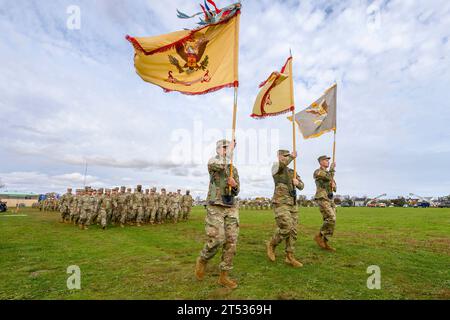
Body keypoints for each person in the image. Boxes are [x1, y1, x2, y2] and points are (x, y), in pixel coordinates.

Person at [195, 139, 240, 289]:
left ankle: (224, 276)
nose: (227, 150)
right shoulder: (213, 162)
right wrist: (230, 152)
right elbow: (220, 165)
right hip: (216, 204)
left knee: (231, 242)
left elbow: (237, 189)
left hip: (231, 205)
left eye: (229, 147)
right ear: (218, 149)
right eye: (225, 147)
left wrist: (234, 186)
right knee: (217, 239)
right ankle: (203, 258)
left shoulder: (234, 168)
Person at [266, 150, 305, 267]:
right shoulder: (276, 167)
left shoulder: (292, 171)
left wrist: (297, 183)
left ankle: (289, 256)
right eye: (284, 156)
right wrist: (292, 157)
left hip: (292, 203)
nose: (286, 158)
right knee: (286, 227)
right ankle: (272, 244)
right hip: (280, 202)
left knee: (293, 231)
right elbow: (282, 165)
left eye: (287, 156)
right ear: (278, 156)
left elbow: (302, 186)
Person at [313, 155, 337, 252]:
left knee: (331, 221)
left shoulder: (329, 173)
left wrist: (334, 185)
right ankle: (319, 236)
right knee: (332, 218)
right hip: (322, 197)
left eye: (328, 161)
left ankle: (325, 241)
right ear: (321, 162)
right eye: (326, 160)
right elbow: (327, 177)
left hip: (330, 198)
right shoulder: (318, 172)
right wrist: (332, 169)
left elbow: (334, 188)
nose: (328, 162)